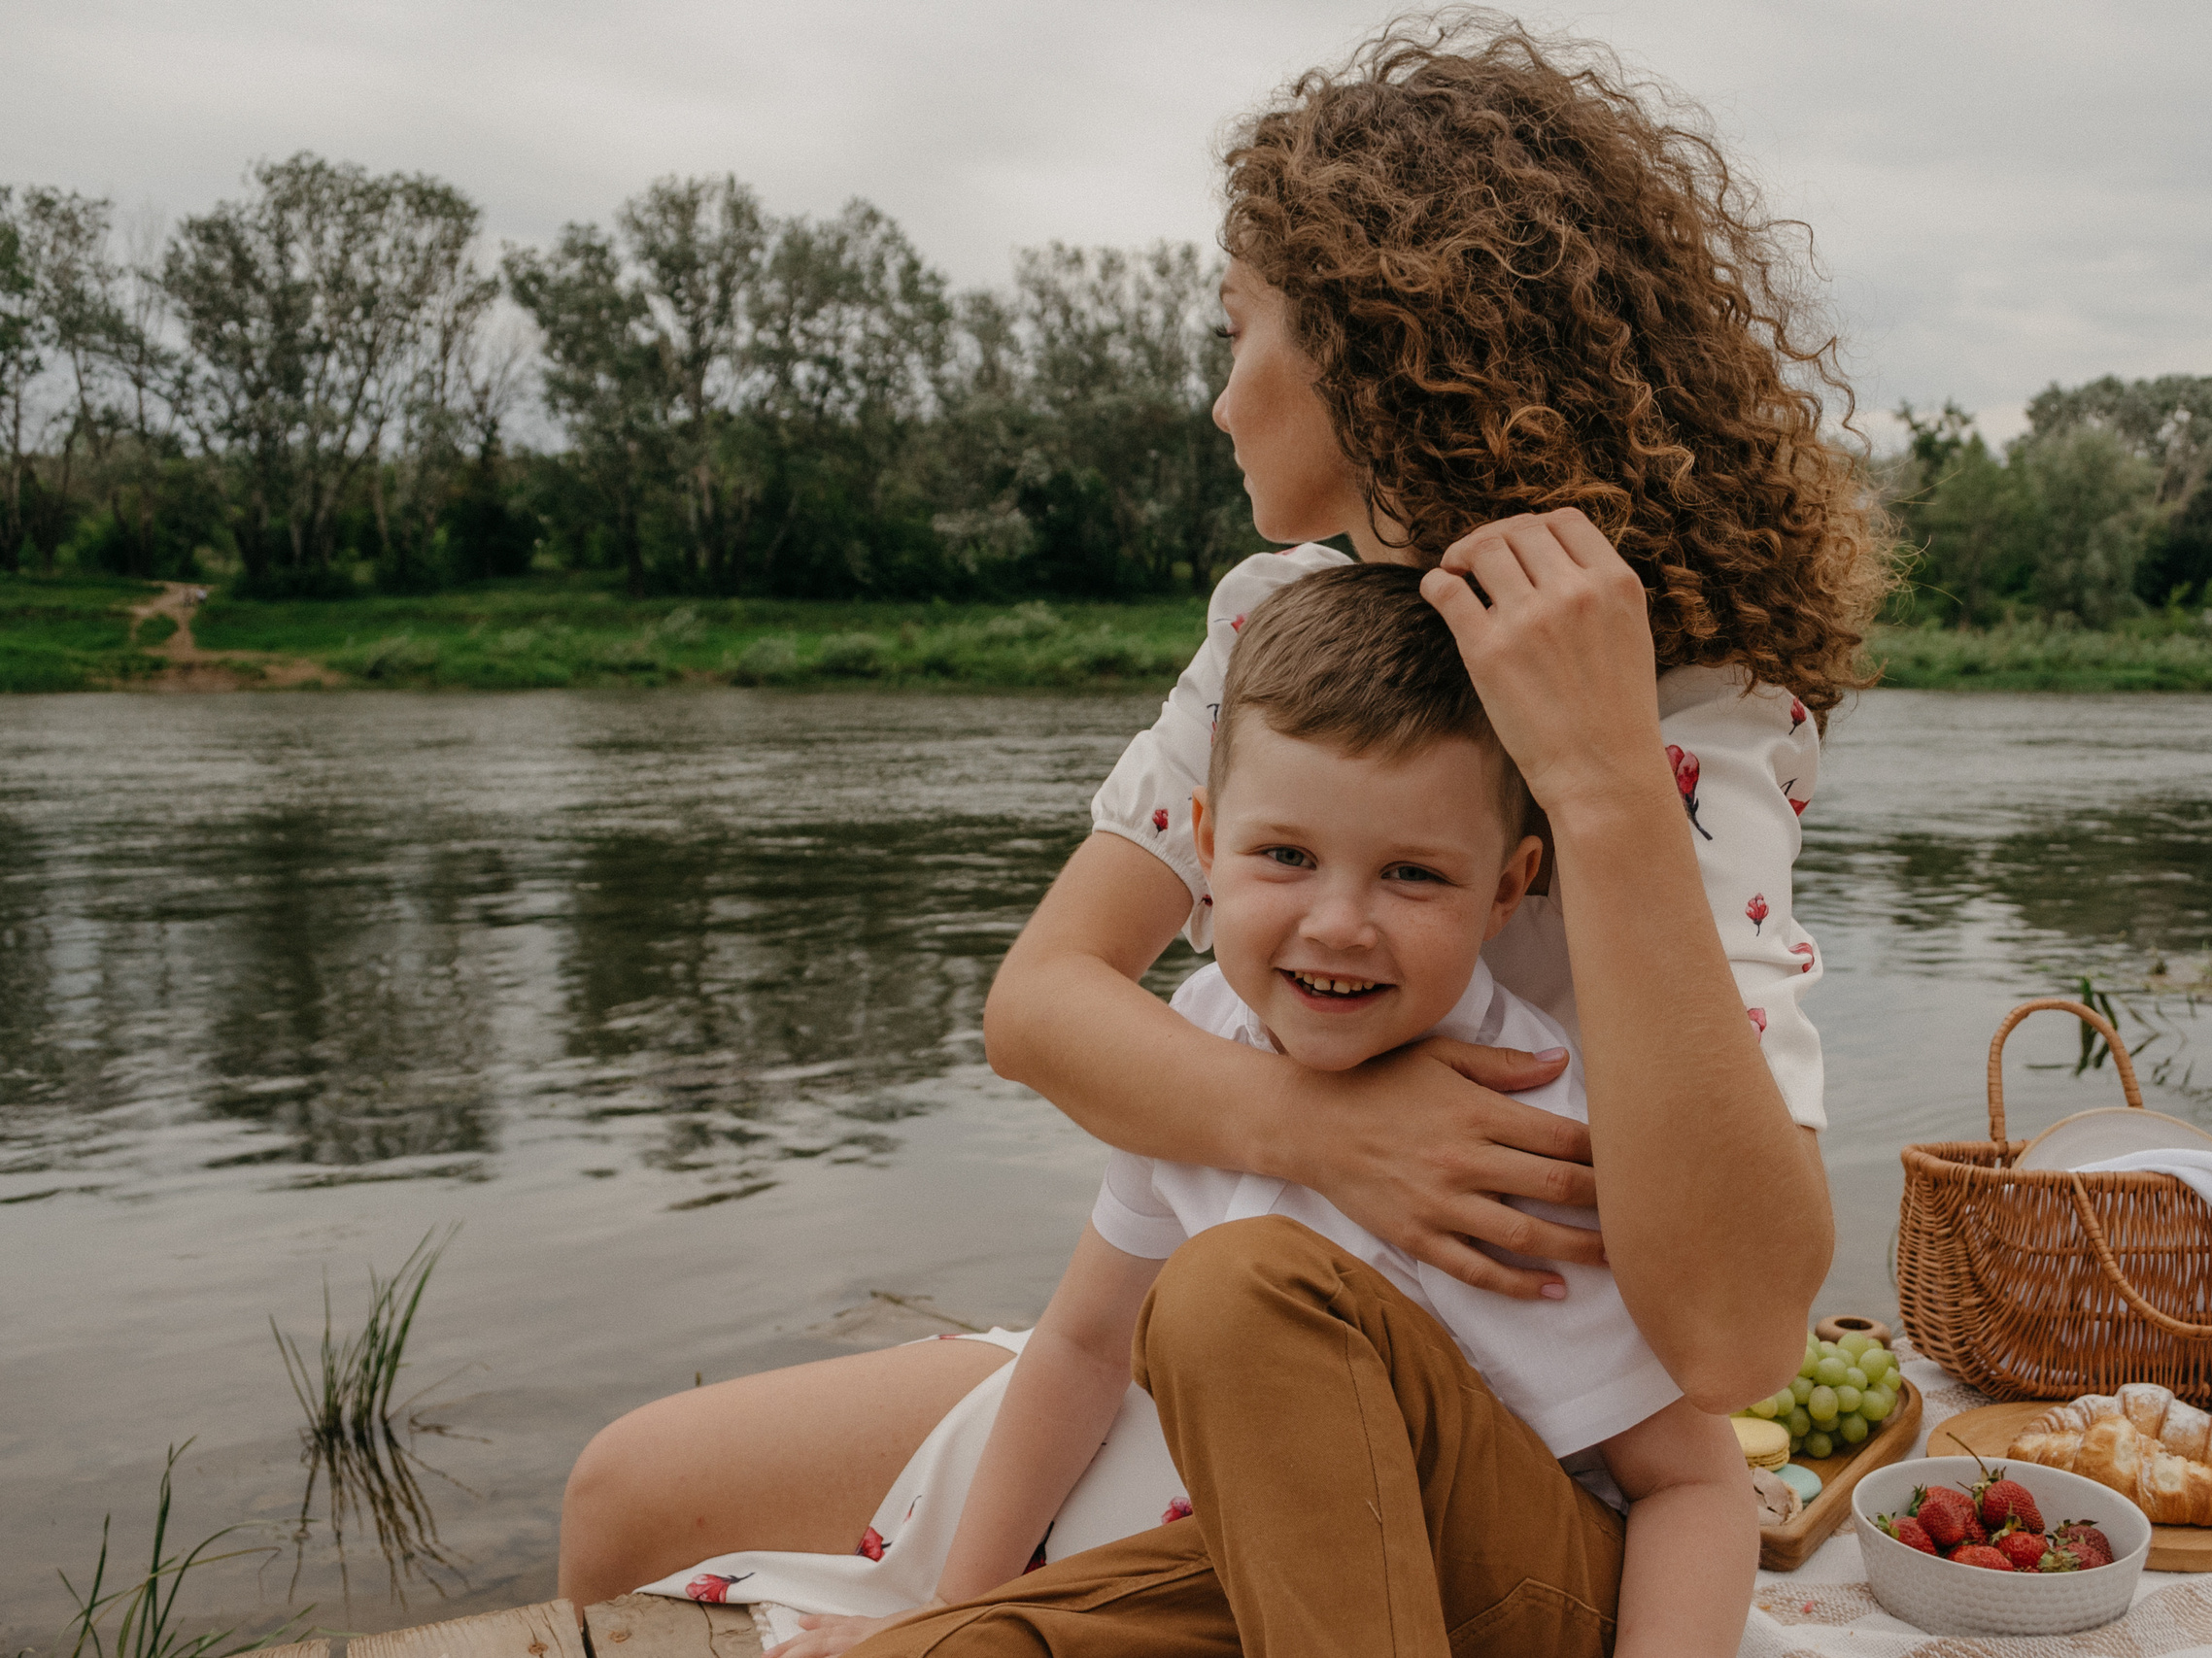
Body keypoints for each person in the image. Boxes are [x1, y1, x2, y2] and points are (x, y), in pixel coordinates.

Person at [557, 12, 1887, 1609]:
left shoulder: (1696, 707)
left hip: (1498, 1428)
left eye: (1236, 329)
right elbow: (1040, 1008)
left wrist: (1603, 785)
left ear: (1374, 351)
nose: (1219, 395)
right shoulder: (1281, 626)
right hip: (1198, 1329)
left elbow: (1739, 1337)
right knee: (627, 1488)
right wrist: (1328, 1132)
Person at [766, 563, 1754, 1656]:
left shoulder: (1525, 1124)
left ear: (1507, 890)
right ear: (1204, 843)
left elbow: (1694, 1486)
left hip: (1532, 1594)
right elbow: (1083, 1353)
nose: (1337, 924)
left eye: (1412, 876)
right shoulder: (1199, 1044)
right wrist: (949, 1607)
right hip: (1314, 1567)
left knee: (1232, 1290)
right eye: (1285, 856)